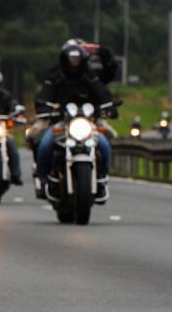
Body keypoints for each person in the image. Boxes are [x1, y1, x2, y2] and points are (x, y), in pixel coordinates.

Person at [33, 41, 115, 199]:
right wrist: (44, 106)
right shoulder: (55, 76)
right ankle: (43, 180)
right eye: (71, 59)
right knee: (45, 144)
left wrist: (109, 106)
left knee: (104, 144)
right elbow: (45, 94)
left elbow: (102, 92)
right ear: (64, 59)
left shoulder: (89, 76)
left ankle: (102, 179)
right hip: (61, 121)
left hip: (88, 122)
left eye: (77, 60)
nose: (74, 63)